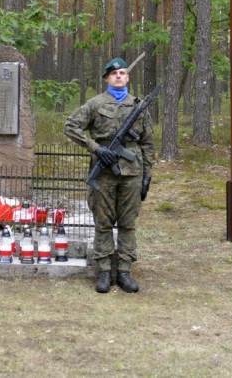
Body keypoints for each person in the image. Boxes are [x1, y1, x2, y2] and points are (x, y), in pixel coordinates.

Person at [64, 58, 154, 294]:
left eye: (122, 73)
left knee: (127, 223)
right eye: (114, 73)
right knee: (103, 223)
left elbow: (147, 142)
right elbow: (71, 126)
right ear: (106, 78)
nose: (118, 76)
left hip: (132, 172)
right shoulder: (95, 104)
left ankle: (124, 271)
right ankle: (104, 271)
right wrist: (96, 148)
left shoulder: (138, 106)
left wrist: (147, 175)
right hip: (103, 172)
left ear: (127, 77)